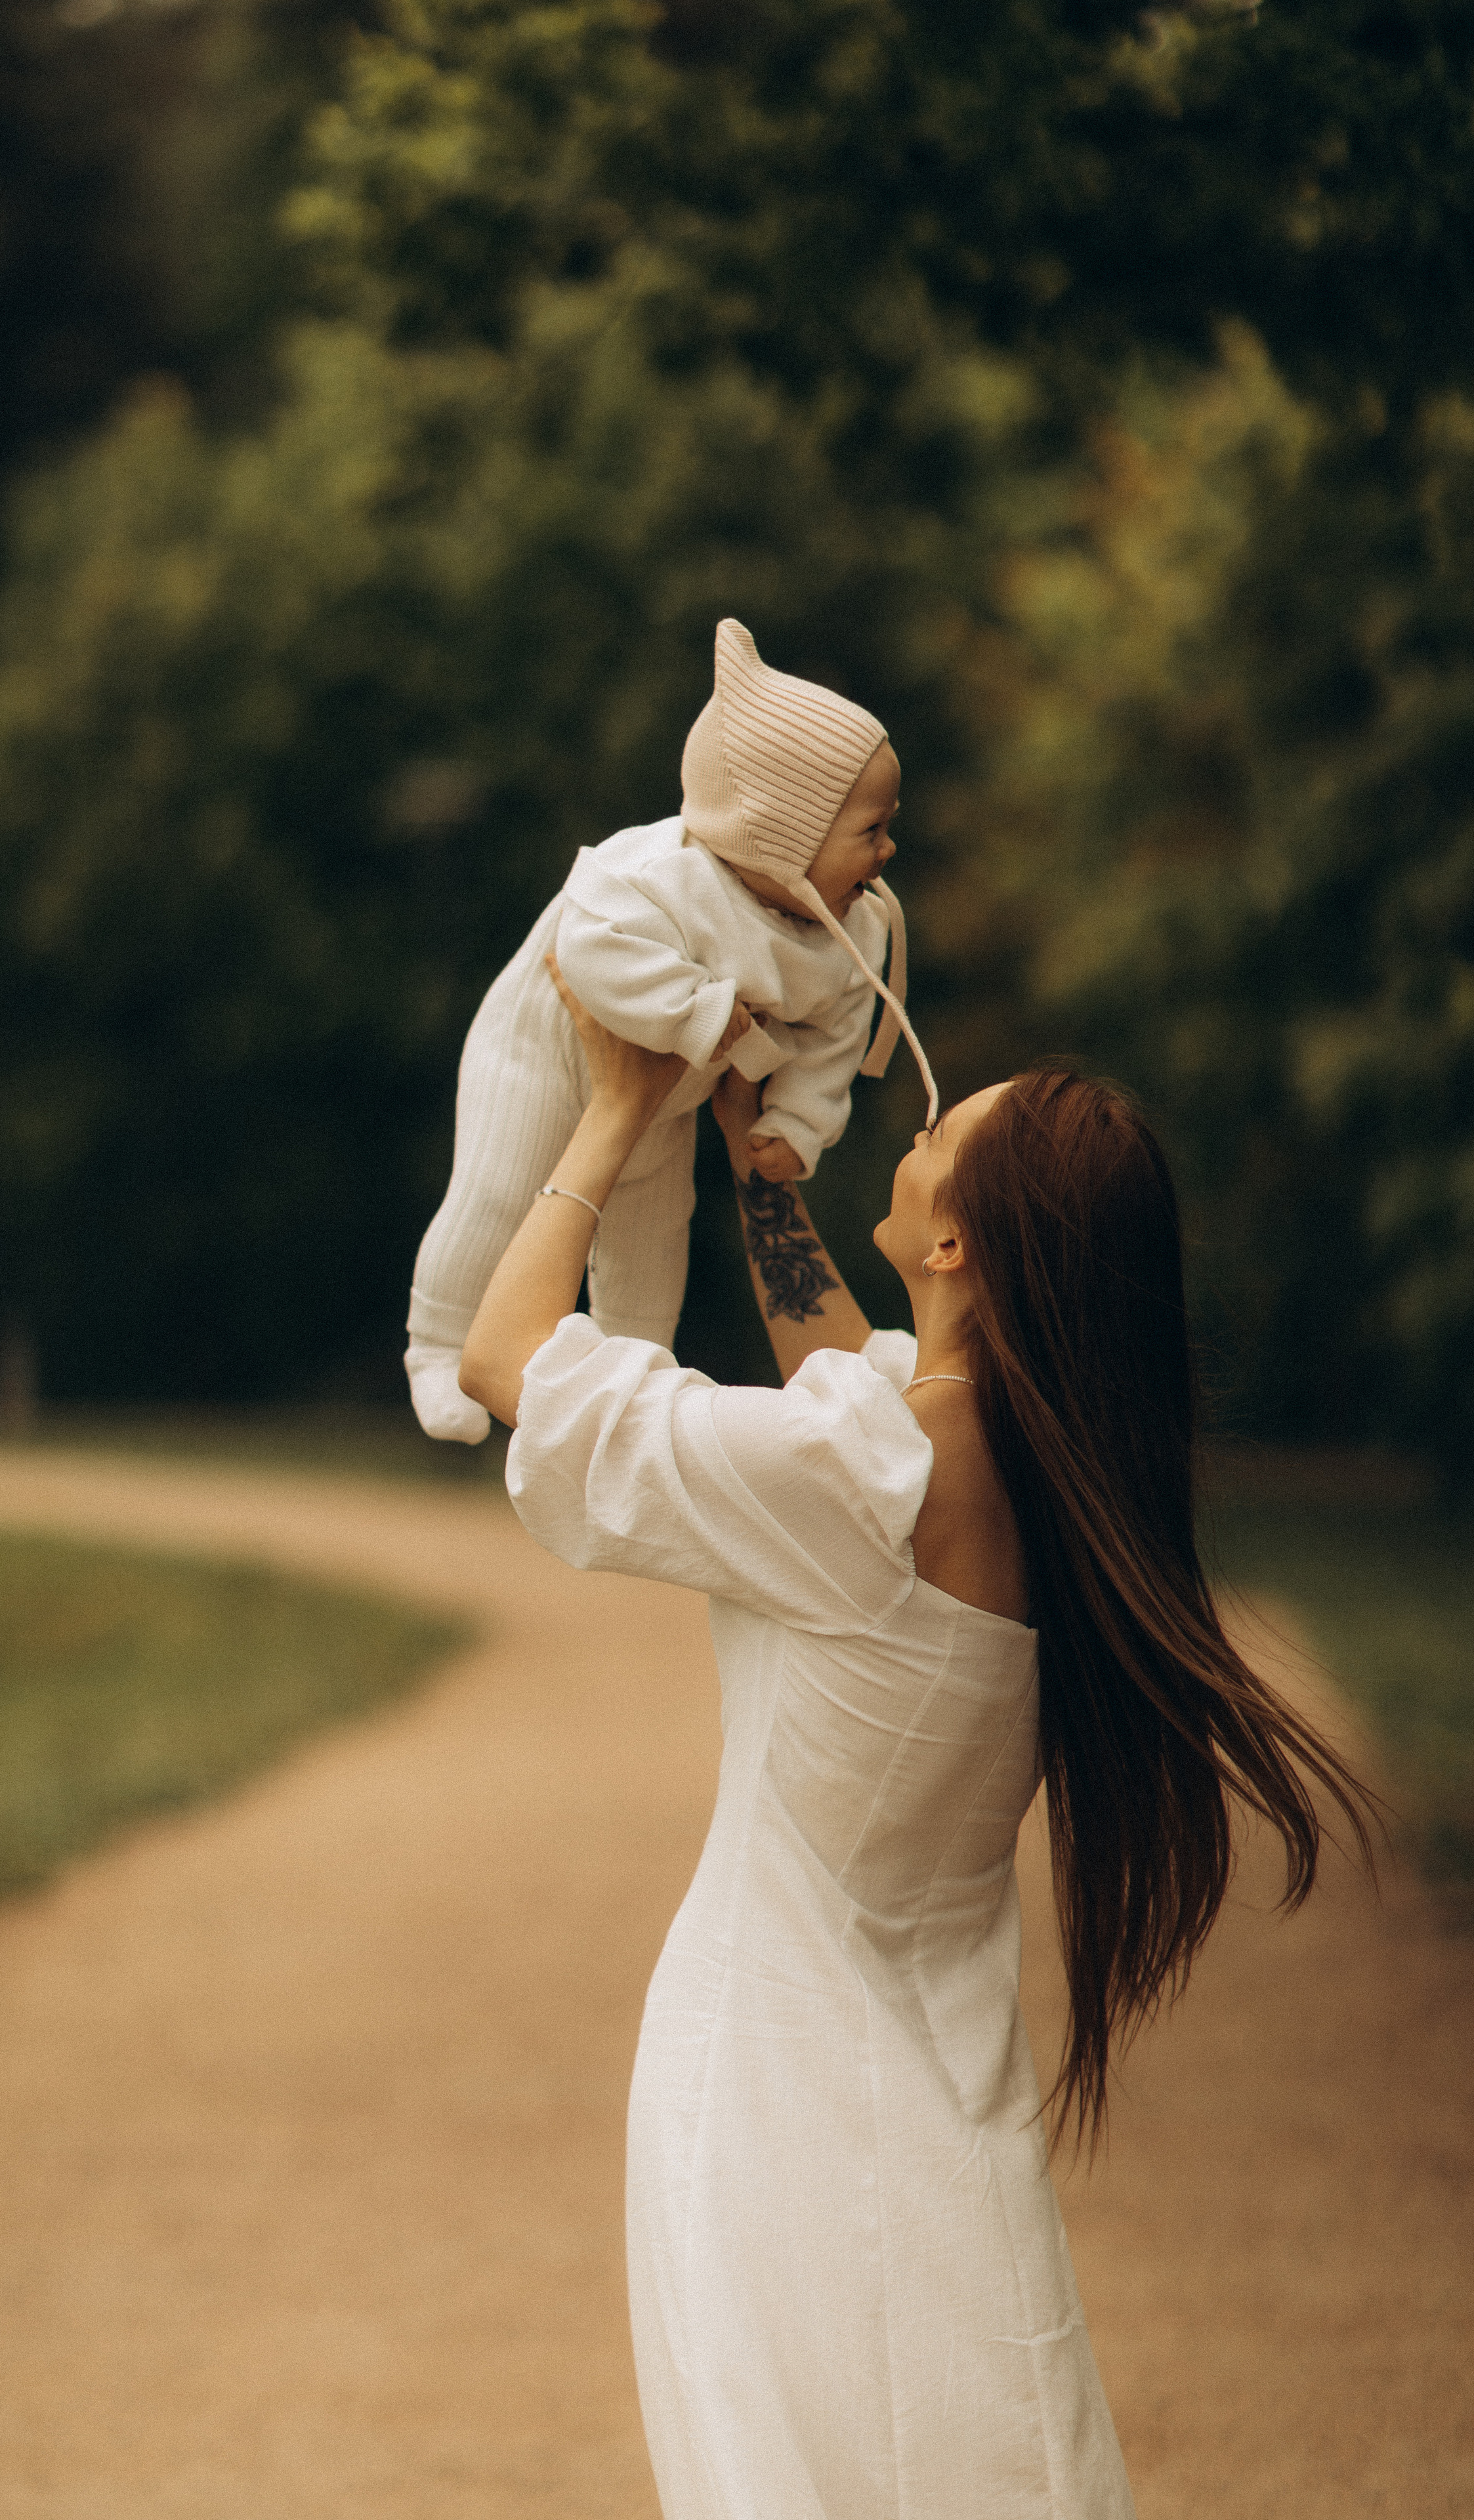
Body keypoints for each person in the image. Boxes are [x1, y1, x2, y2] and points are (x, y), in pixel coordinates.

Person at [458, 982, 1375, 2520]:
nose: (921, 1119)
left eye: (946, 1128)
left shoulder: (868, 1480)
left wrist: (610, 1110)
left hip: (777, 2089)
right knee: (957, 2450)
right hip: (922, 2085)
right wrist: (761, 1178)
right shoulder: (1014, 1455)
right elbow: (851, 1370)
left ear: (954, 1243)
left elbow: (506, 1361)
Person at [404, 618, 939, 1444]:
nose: (888, 850)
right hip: (543, 1051)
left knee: (655, 1234)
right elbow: (588, 945)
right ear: (778, 835)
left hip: (671, 1090)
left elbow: (834, 1036)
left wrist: (794, 1122)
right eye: (869, 830)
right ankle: (436, 1346)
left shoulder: (853, 931)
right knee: (496, 1194)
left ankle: (635, 1366)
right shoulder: (658, 875)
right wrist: (698, 1012)